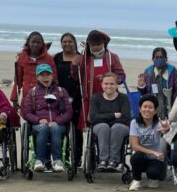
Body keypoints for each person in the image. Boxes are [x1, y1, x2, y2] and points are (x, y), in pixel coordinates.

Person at [21, 66, 74, 173]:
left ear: (52, 76)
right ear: (37, 77)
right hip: (38, 125)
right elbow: (27, 112)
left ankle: (57, 160)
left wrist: (57, 121)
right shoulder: (32, 92)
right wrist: (38, 120)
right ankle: (39, 160)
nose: (45, 77)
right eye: (42, 75)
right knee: (43, 128)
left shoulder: (61, 91)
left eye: (48, 75)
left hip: (58, 125)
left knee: (54, 127)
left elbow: (69, 112)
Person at [76, 29, 126, 129]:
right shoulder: (85, 57)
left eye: (98, 44)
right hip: (89, 99)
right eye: (92, 45)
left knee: (108, 125)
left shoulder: (112, 57)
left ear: (103, 43)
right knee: (89, 128)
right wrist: (75, 64)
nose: (95, 47)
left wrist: (109, 78)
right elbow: (76, 76)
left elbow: (122, 77)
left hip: (110, 99)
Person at [89, 71, 132, 171]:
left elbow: (126, 118)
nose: (109, 86)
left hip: (120, 127)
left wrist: (106, 120)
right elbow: (93, 117)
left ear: (117, 85)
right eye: (106, 84)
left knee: (116, 128)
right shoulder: (96, 98)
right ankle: (103, 160)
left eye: (112, 84)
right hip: (100, 127)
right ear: (102, 85)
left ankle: (114, 160)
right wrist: (114, 115)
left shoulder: (123, 98)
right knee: (104, 127)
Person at [54, 33, 83, 166]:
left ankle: (77, 158)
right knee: (62, 128)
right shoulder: (56, 58)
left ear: (75, 43)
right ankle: (63, 157)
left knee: (77, 129)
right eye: (64, 42)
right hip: (60, 96)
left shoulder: (81, 57)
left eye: (70, 42)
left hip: (77, 96)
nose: (67, 44)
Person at [128, 94, 168, 191]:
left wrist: (167, 128)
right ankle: (137, 180)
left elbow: (165, 130)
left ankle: (154, 177)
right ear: (140, 109)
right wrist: (153, 152)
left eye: (150, 107)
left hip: (155, 159)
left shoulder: (158, 124)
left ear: (154, 111)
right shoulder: (134, 123)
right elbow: (135, 146)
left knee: (153, 176)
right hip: (141, 156)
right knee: (136, 157)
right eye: (145, 107)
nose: (147, 110)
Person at [11, 32, 57, 108]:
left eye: (38, 42)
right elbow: (18, 81)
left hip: (45, 99)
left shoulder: (49, 59)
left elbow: (54, 79)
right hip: (27, 98)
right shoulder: (22, 58)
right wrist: (14, 99)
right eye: (33, 42)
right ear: (28, 43)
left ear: (42, 44)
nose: (35, 44)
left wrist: (54, 98)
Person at [137, 48, 177, 118]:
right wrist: (141, 85)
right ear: (153, 59)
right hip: (152, 108)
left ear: (166, 58)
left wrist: (174, 104)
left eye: (161, 57)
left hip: (170, 107)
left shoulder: (172, 70)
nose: (159, 59)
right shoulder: (148, 71)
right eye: (157, 57)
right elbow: (144, 94)